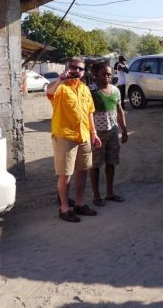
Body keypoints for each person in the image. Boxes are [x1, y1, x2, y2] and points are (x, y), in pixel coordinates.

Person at [47, 57, 102, 223]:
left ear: (84, 72)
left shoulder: (85, 89)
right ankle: (64, 208)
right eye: (74, 67)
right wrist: (59, 80)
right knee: (65, 174)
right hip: (65, 136)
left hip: (83, 135)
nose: (77, 71)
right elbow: (49, 92)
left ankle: (79, 204)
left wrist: (94, 133)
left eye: (80, 69)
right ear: (68, 68)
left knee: (83, 170)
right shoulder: (61, 87)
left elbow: (90, 112)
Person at [89, 64, 129, 205]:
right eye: (103, 74)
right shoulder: (91, 91)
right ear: (97, 75)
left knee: (111, 162)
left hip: (113, 132)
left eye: (109, 74)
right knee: (95, 165)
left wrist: (124, 130)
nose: (106, 77)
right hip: (97, 134)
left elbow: (119, 111)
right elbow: (87, 113)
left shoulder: (116, 91)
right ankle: (96, 196)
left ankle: (110, 193)